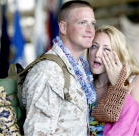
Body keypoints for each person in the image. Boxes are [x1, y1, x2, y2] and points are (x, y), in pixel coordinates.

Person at [22, 1, 96, 136]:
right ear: (63, 27)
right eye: (82, 22)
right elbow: (37, 132)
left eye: (93, 23)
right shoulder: (48, 71)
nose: (90, 30)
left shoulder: (80, 66)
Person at [88, 25, 139, 136]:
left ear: (119, 55)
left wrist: (118, 83)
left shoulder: (137, 82)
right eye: (94, 46)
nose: (97, 54)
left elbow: (133, 126)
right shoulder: (85, 82)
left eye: (106, 49)